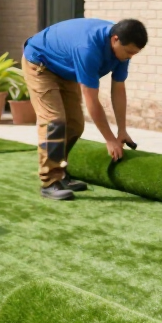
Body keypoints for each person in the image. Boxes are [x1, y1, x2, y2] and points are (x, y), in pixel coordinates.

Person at [22, 18, 148, 200]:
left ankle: (61, 172)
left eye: (134, 54)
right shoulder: (88, 49)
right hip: (41, 64)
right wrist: (110, 139)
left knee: (75, 125)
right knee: (55, 121)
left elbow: (118, 90)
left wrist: (121, 130)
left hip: (66, 68)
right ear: (115, 40)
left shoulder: (123, 51)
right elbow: (92, 101)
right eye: (128, 52)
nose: (130, 57)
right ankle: (50, 181)